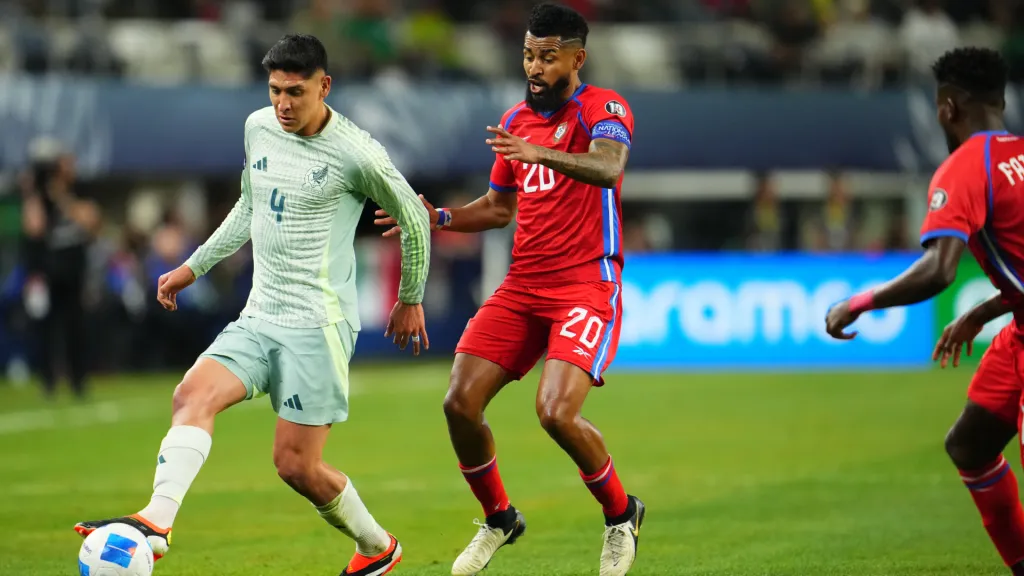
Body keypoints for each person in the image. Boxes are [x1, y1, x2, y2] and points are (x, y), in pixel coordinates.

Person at [74, 34, 431, 576]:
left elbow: (415, 219)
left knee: (296, 466)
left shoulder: (356, 154)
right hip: (260, 314)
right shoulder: (258, 126)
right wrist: (193, 266)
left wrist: (410, 298)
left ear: (324, 86)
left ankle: (378, 546)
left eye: (295, 92)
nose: (283, 104)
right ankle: (157, 521)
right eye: (274, 91)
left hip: (318, 326)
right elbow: (249, 204)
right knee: (191, 394)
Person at [376, 4, 642, 575]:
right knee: (459, 403)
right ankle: (499, 518)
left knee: (556, 413)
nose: (535, 67)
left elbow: (608, 167)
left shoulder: (604, 107)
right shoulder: (515, 120)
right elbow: (499, 208)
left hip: (585, 284)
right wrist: (439, 217)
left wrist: (540, 153)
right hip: (523, 286)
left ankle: (622, 515)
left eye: (548, 56)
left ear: (578, 58)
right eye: (528, 55)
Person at [826, 47, 1024, 575]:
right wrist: (984, 312)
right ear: (1001, 102)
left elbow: (939, 270)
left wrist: (859, 303)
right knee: (970, 445)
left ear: (947, 108)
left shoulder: (965, 168)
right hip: (1017, 331)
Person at [20, 139, 101, 399]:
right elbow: (34, 228)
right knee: (46, 328)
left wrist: (62, 197)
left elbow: (91, 220)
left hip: (74, 269)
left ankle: (78, 381)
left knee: (76, 327)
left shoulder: (78, 189)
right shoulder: (40, 194)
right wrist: (35, 194)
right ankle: (49, 382)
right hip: (48, 271)